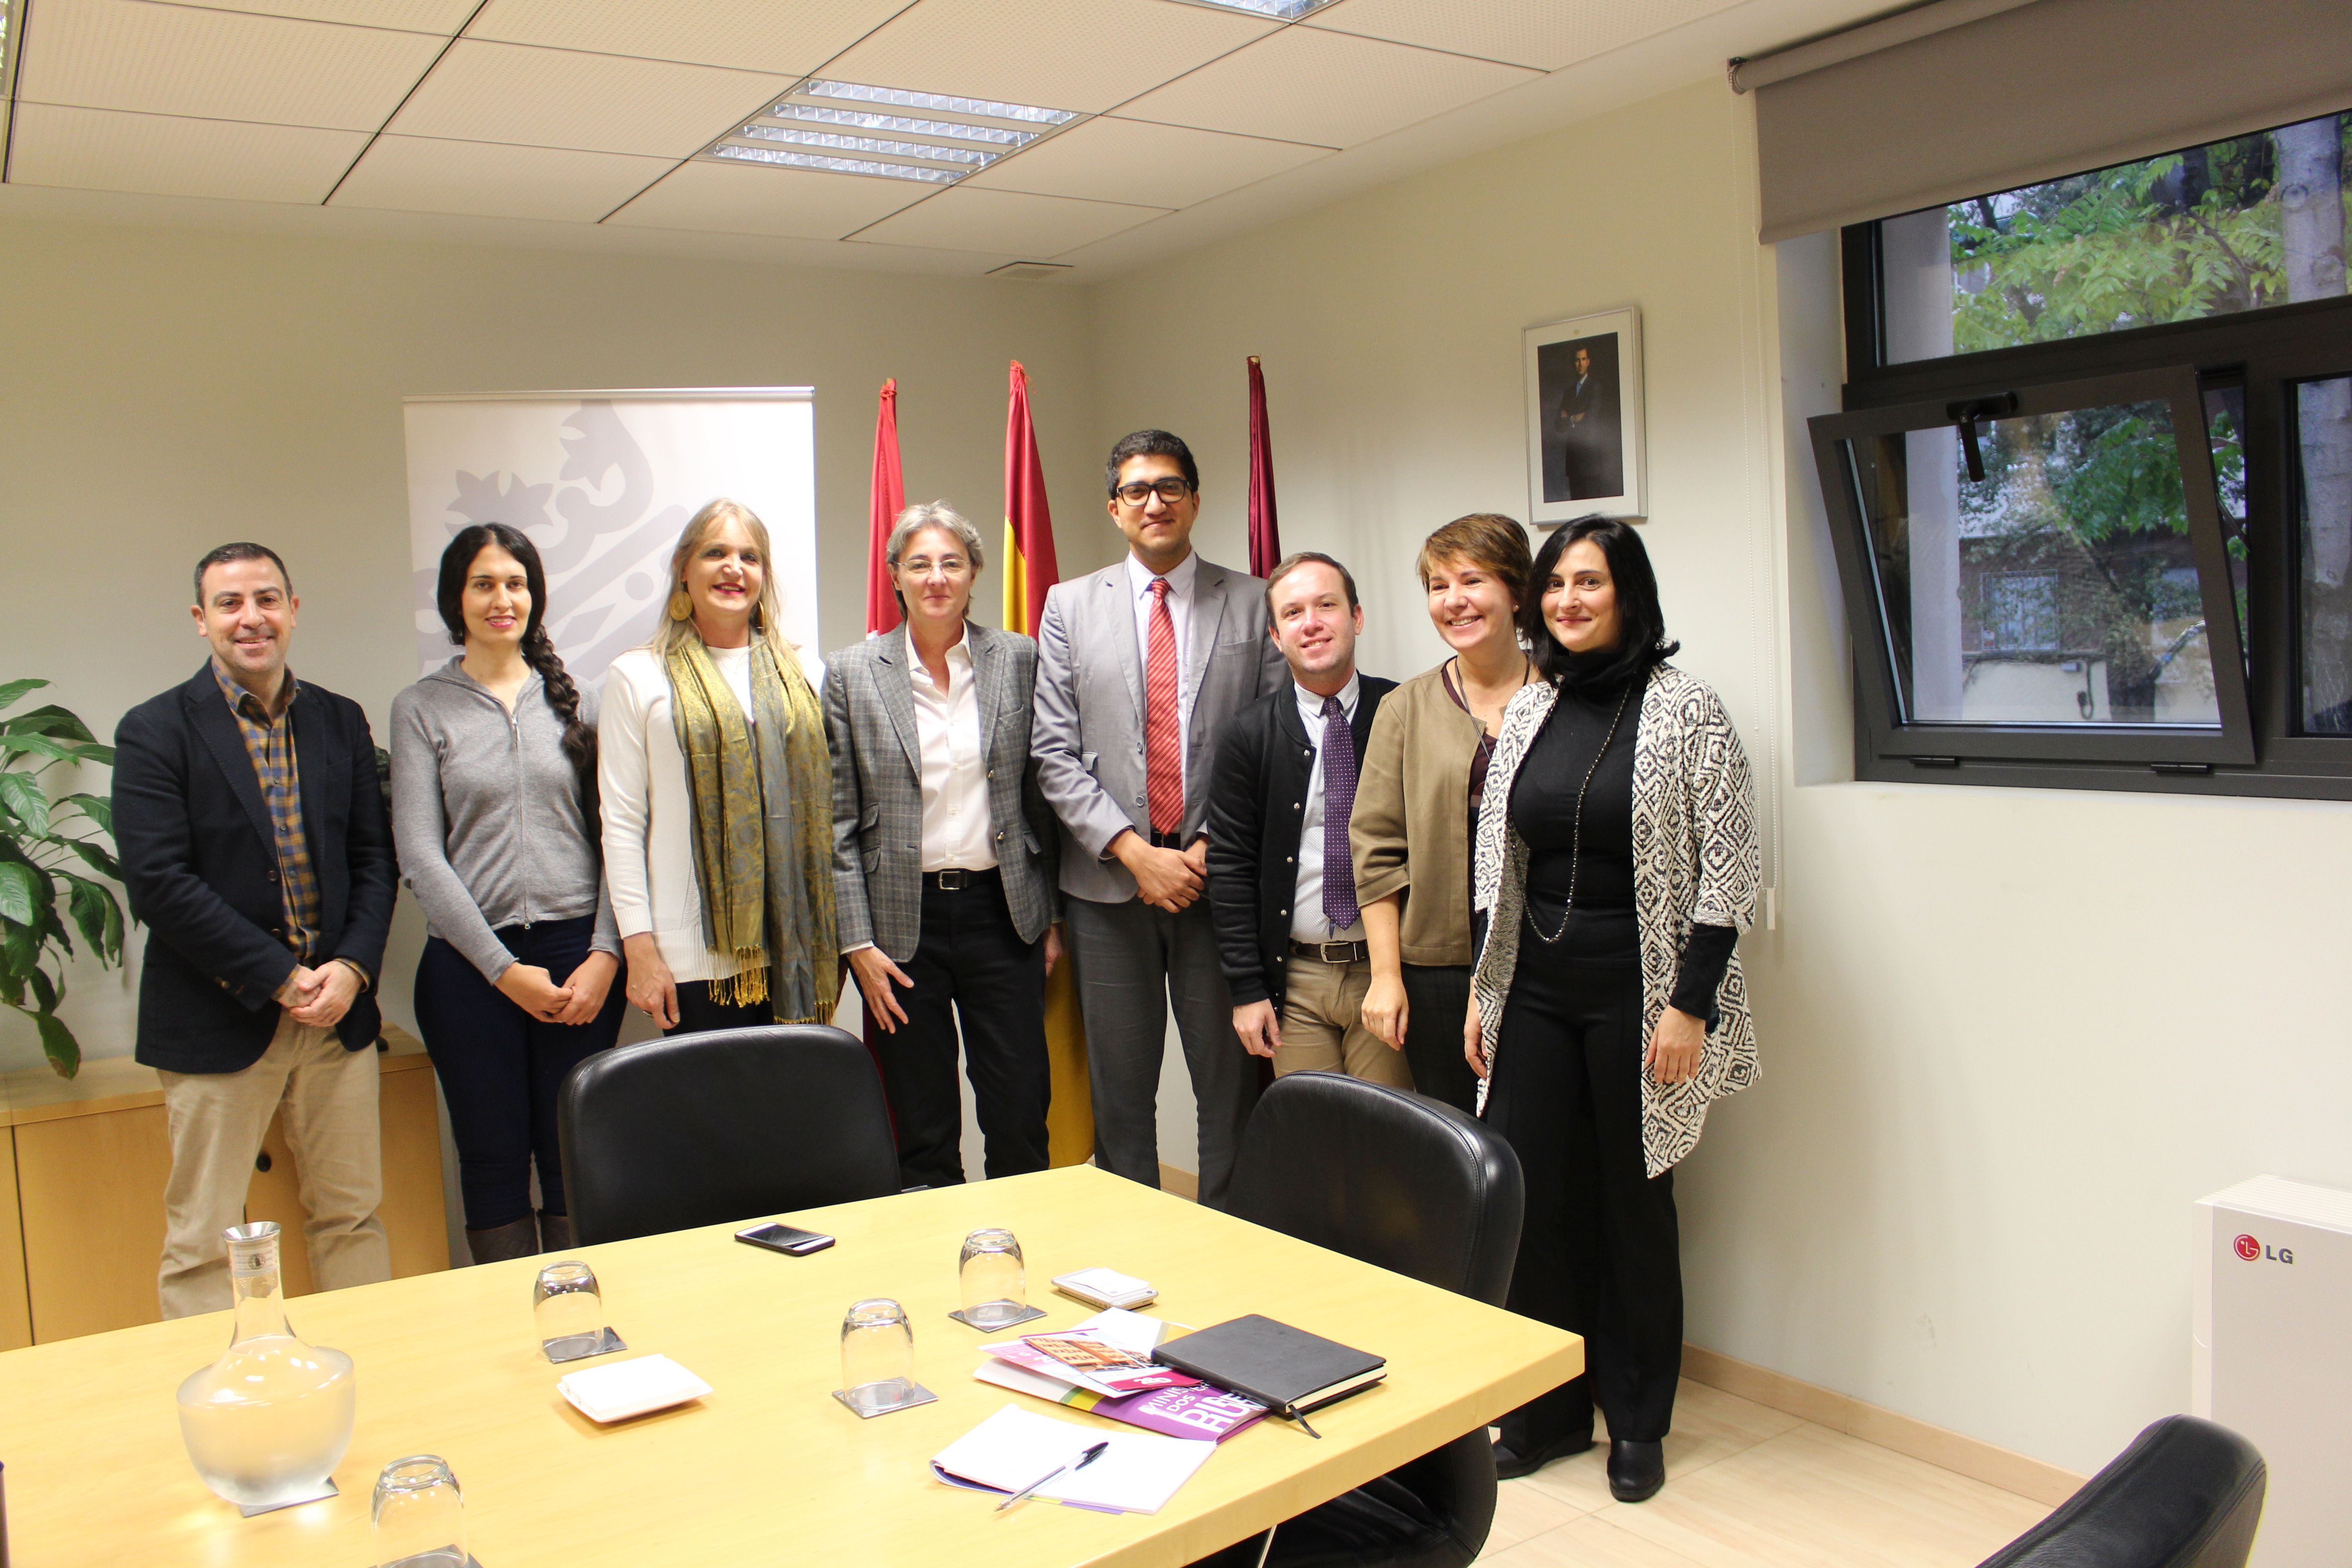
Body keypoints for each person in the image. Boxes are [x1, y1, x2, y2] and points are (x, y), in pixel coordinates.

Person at [1465, 516, 1760, 1502]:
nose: (1567, 601)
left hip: (1642, 994)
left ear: (1628, 593)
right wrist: (1485, 991)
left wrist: (1690, 1006)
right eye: (1554, 584)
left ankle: (1636, 1422)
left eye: (1588, 582)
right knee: (1533, 1205)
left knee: (1633, 1208)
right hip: (1534, 989)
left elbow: (1729, 872)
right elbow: (1498, 866)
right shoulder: (1531, 705)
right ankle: (1545, 1414)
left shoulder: (1687, 710)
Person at [113, 543, 397, 1318]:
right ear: (201, 619)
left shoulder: (338, 720)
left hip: (337, 1018)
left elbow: (373, 859)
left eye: (267, 599)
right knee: (204, 1240)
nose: (252, 618)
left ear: (292, 611)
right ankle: (217, 1389)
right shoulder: (154, 730)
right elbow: (160, 884)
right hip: (219, 1015)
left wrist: (352, 969)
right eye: (230, 603)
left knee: (352, 1218)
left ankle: (378, 1372)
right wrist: (279, 975)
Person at [1032, 429, 1287, 1208]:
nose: (1154, 502)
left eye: (1170, 487)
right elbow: (1052, 751)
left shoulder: (1253, 601)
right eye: (1136, 490)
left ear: (1195, 501)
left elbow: (1274, 738)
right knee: (1120, 1099)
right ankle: (1131, 1255)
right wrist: (1134, 853)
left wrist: (1208, 848)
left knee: (1229, 1093)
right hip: (1109, 890)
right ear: (1114, 508)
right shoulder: (1069, 606)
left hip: (1218, 888)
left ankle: (1230, 1250)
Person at [392, 524, 625, 1264]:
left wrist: (605, 955)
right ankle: (505, 1316)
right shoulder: (421, 708)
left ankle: (578, 1307)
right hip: (470, 970)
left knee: (572, 1155)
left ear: (535, 595)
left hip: (578, 962)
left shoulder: (579, 702)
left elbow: (619, 838)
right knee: (491, 1161)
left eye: (516, 584)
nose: (503, 599)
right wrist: (503, 970)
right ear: (455, 600)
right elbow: (420, 856)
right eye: (484, 584)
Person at [826, 502, 1062, 1189]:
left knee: (1020, 1111)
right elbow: (837, 820)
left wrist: (1051, 916)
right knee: (921, 1124)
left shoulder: (1019, 658)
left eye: (951, 563)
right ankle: (937, 1244)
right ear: (895, 575)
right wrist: (856, 942)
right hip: (900, 930)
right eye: (920, 564)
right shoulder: (851, 672)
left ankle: (1022, 1240)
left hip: (1004, 917)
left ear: (974, 573)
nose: (936, 578)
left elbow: (1042, 794)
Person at [601, 499, 836, 1034]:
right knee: (708, 1094)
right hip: (690, 957)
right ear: (683, 569)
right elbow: (621, 823)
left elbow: (833, 810)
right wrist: (639, 948)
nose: (734, 568)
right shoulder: (638, 676)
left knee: (795, 1093)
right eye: (715, 553)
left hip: (797, 947)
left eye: (750, 557)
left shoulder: (806, 673)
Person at [1353, 514, 1536, 1113]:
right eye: (1438, 585)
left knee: (1546, 1135)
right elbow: (1376, 849)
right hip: (1438, 970)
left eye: (1473, 580)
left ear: (1517, 591)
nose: (1454, 600)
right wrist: (1386, 975)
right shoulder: (1405, 708)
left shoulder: (1568, 695)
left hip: (1547, 961)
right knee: (1460, 1138)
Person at [1205, 553, 1402, 1085]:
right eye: (1293, 613)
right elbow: (1230, 869)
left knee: (1391, 1128)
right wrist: (1247, 989)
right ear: (1276, 636)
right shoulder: (1247, 735)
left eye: (1326, 606)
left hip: (1387, 975)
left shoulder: (1404, 711)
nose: (1311, 623)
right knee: (1314, 1130)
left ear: (1356, 617)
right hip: (1294, 982)